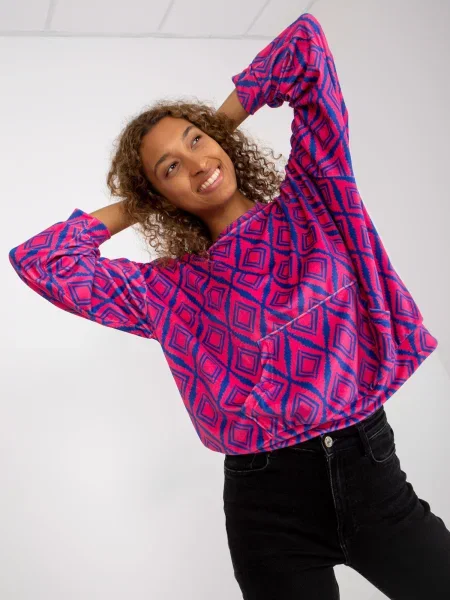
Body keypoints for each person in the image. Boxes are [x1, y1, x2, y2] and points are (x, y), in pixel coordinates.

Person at [9, 11, 450, 599]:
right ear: (159, 193)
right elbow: (42, 261)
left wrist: (217, 125)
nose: (196, 165)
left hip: (373, 481)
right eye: (170, 168)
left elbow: (305, 48)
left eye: (197, 141)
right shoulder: (167, 291)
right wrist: (140, 201)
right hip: (267, 511)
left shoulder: (318, 199)